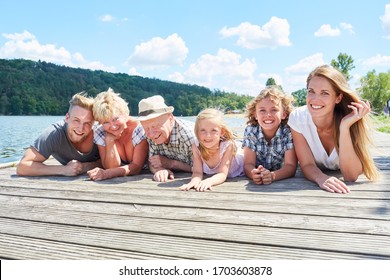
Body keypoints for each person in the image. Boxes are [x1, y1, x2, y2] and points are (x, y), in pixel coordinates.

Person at [288, 65, 380, 193]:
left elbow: (350, 176)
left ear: (338, 98)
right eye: (311, 91)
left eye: (324, 93)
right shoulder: (297, 118)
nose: (315, 99)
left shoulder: (351, 120)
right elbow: (307, 165)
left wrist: (345, 127)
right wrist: (321, 178)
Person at [16, 92, 101, 176]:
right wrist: (63, 170)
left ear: (94, 123)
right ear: (67, 118)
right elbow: (22, 166)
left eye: (87, 123)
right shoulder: (54, 133)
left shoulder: (99, 133)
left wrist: (84, 167)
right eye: (76, 120)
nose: (80, 128)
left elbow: (111, 163)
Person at [87, 88, 148, 181]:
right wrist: (110, 141)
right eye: (106, 122)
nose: (113, 127)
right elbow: (111, 167)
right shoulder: (100, 132)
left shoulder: (139, 128)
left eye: (115, 119)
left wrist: (107, 174)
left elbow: (136, 167)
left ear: (124, 113)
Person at [242, 86, 297, 185]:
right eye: (262, 110)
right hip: (259, 169)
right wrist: (254, 174)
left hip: (277, 172)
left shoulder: (288, 131)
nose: (268, 115)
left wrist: (272, 176)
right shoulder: (251, 130)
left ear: (284, 114)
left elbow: (290, 166)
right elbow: (248, 164)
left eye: (274, 110)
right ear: (255, 114)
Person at [180, 108, 244, 192]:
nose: (208, 136)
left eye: (213, 130)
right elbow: (197, 172)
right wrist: (193, 182)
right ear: (197, 132)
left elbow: (222, 174)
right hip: (217, 174)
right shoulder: (196, 145)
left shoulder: (228, 146)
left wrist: (209, 181)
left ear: (222, 132)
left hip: (240, 165)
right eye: (203, 130)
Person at [137, 95, 195, 182]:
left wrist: (171, 164)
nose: (151, 134)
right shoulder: (149, 134)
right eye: (146, 128)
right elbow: (152, 162)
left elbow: (206, 168)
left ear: (171, 119)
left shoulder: (190, 136)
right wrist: (159, 170)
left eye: (155, 126)